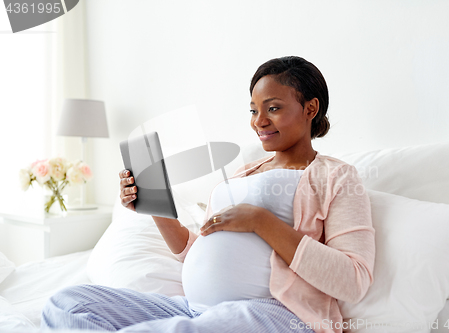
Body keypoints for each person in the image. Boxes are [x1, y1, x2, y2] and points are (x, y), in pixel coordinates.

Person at [41, 56, 375, 333]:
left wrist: (261, 221)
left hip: (276, 314)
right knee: (67, 303)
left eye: (272, 108)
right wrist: (152, 205)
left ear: (310, 108)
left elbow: (353, 280)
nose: (259, 121)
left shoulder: (336, 176)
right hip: (196, 310)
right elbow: (195, 249)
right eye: (253, 110)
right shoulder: (244, 173)